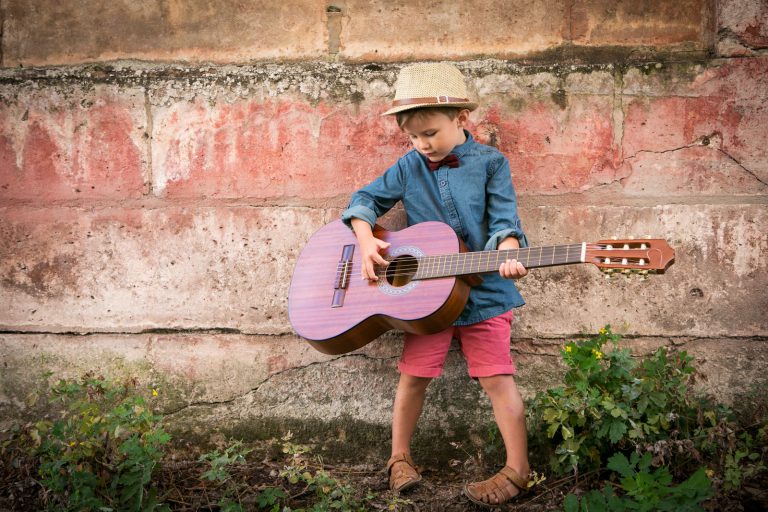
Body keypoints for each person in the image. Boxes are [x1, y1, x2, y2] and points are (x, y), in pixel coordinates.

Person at [340, 62, 531, 507]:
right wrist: (367, 238)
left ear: (460, 119)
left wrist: (505, 248)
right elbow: (364, 200)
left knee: (498, 378)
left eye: (430, 133)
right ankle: (399, 459)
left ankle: (518, 469)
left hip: (484, 290)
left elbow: (505, 218)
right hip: (426, 297)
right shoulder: (409, 166)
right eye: (414, 137)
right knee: (413, 377)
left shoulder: (491, 163)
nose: (423, 144)